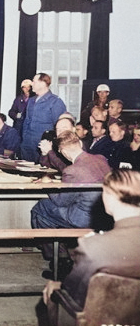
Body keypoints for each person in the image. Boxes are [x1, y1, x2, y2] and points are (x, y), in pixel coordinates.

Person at [43, 169, 140, 310]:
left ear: (109, 197)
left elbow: (72, 291)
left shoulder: (92, 246)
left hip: (102, 315)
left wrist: (55, 287)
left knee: (52, 288)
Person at [31, 131, 111, 272]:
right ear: (79, 143)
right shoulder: (101, 159)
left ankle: (60, 261)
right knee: (49, 210)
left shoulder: (73, 170)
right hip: (105, 215)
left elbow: (61, 202)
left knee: (41, 208)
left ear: (63, 152)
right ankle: (62, 253)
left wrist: (47, 184)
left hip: (83, 218)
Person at [20, 73, 67, 163]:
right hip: (27, 143)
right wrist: (24, 137)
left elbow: (59, 125)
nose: (31, 84)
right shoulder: (31, 100)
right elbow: (26, 121)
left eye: (34, 81)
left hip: (42, 145)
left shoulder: (55, 101)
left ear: (43, 83)